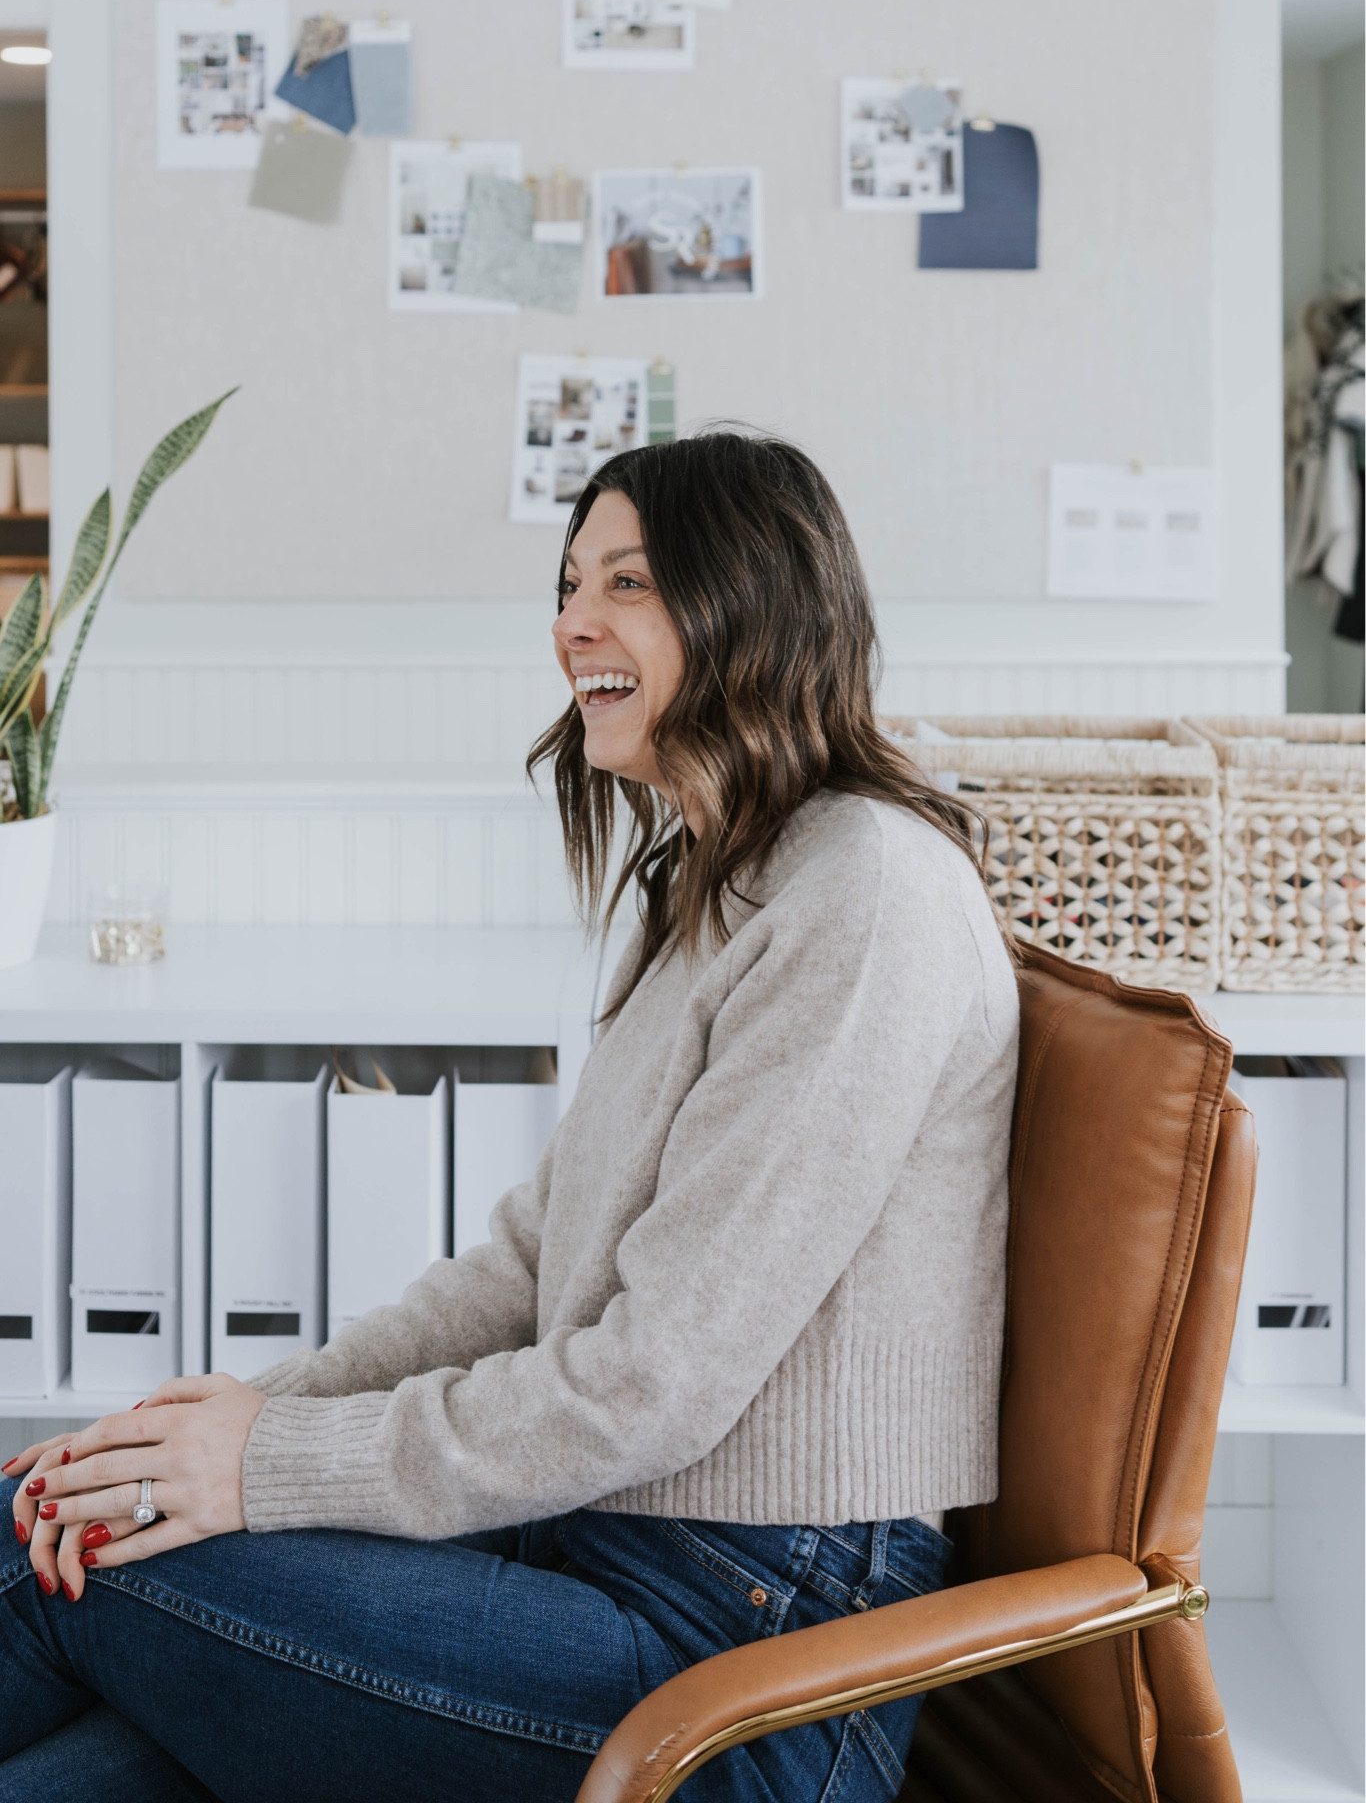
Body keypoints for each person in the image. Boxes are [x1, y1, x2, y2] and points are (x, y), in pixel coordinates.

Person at [0, 432, 1019, 1803]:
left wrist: (266, 1464)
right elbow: (531, 1264)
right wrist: (249, 1411)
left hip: (756, 1657)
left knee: (66, 1557)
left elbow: (646, 1386)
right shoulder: (716, 882)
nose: (569, 624)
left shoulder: (866, 896)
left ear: (757, 604)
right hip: (603, 1547)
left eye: (629, 583)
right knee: (77, 1707)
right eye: (566, 583)